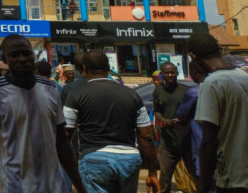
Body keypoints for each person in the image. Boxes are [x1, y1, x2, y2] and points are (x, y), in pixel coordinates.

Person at [0, 34, 86, 193]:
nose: (22, 59)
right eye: (14, 55)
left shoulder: (50, 88)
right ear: (4, 59)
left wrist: (81, 187)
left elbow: (61, 142)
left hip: (54, 186)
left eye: (26, 53)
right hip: (16, 187)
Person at [64, 50, 160, 193]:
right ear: (109, 67)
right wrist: (152, 173)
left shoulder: (75, 95)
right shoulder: (131, 94)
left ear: (84, 68)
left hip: (94, 159)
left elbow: (65, 135)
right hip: (129, 160)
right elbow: (146, 135)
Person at [188, 30, 248, 193]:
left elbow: (208, 142)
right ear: (219, 50)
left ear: (193, 57)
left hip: (232, 179)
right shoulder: (243, 77)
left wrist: (203, 185)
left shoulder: (212, 84)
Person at [153, 62, 193, 192]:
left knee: (196, 176)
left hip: (186, 141)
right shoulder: (158, 91)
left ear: (177, 73)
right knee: (164, 180)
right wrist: (163, 120)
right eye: (166, 72)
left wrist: (182, 119)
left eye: (173, 72)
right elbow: (156, 110)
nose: (170, 75)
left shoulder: (186, 90)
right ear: (162, 74)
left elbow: (193, 111)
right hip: (167, 143)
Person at [175, 60, 212, 192]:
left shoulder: (193, 93)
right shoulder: (222, 86)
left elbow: (181, 114)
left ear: (194, 72)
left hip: (201, 144)